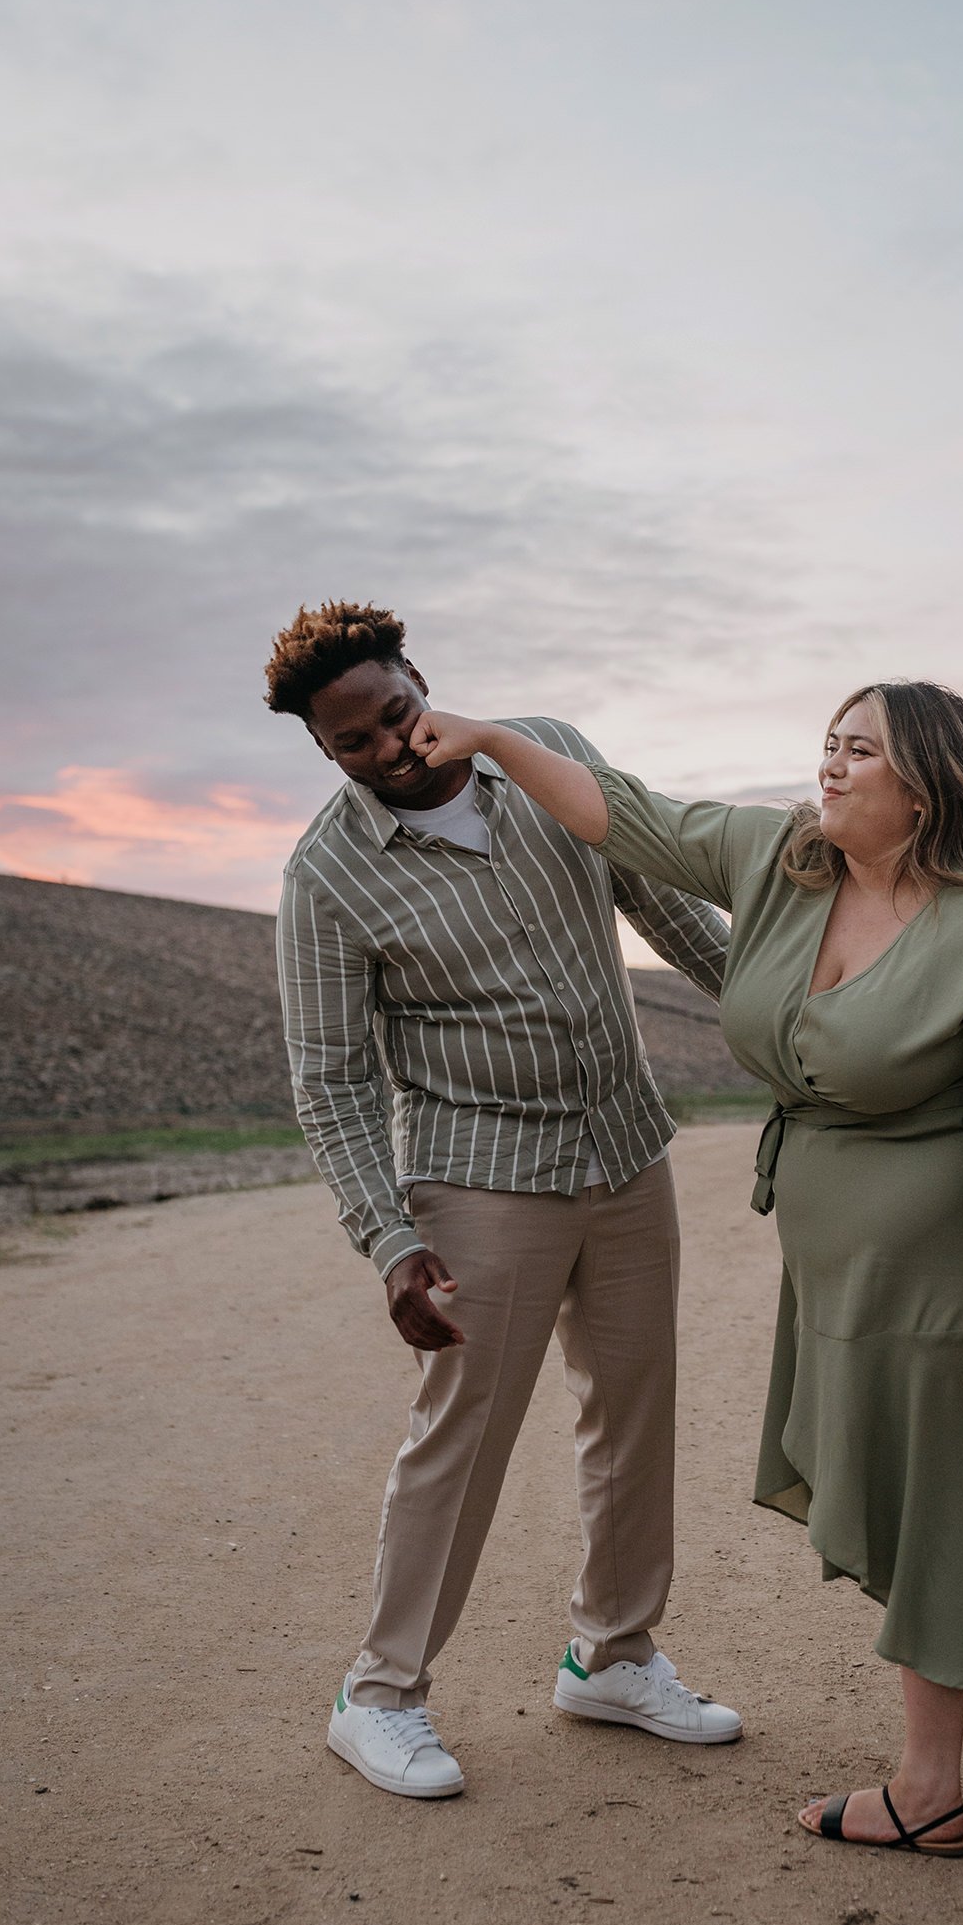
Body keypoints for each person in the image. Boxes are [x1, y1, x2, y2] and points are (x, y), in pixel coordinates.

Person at [403, 682, 963, 1853]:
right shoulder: (779, 859)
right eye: (828, 742)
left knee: (947, 1501)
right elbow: (622, 812)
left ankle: (927, 1789)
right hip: (848, 1260)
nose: (829, 766)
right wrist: (494, 740)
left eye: (859, 751)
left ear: (925, 783)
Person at [266, 601, 743, 1802]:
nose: (390, 745)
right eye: (355, 741)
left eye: (396, 712)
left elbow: (663, 903)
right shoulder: (328, 876)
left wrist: (790, 1015)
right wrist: (391, 1243)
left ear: (420, 680)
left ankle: (613, 1657)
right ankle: (378, 1695)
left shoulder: (540, 751)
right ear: (325, 754)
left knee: (634, 1414)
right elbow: (328, 1083)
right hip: (482, 1181)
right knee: (461, 1440)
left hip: (626, 1151)